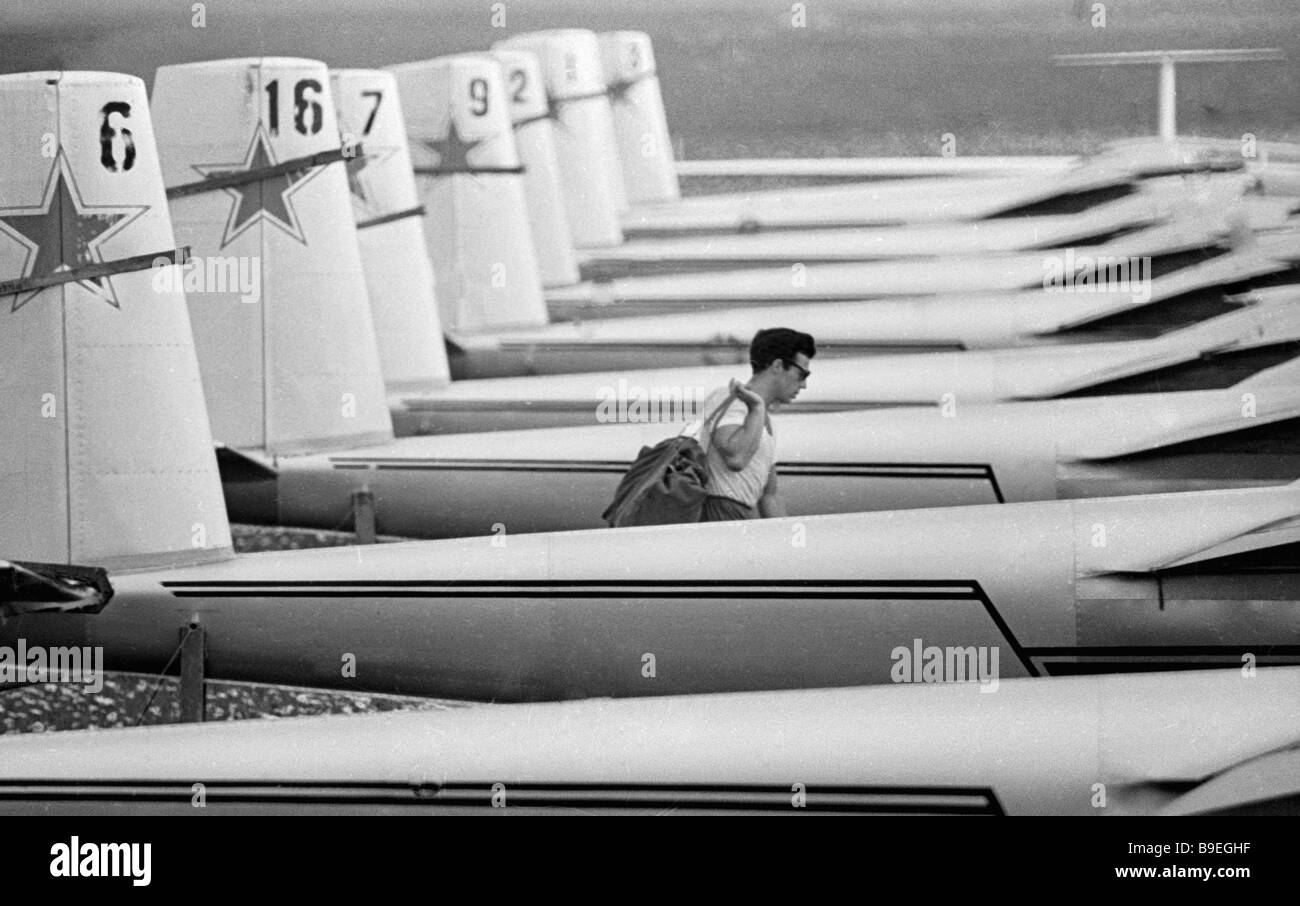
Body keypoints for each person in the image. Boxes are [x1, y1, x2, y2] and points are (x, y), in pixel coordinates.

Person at [698, 328, 815, 522]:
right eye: (802, 374)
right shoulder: (729, 399)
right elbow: (736, 458)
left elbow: (770, 496)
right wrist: (758, 408)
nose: (803, 385)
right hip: (717, 514)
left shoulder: (766, 421)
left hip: (740, 515)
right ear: (778, 366)